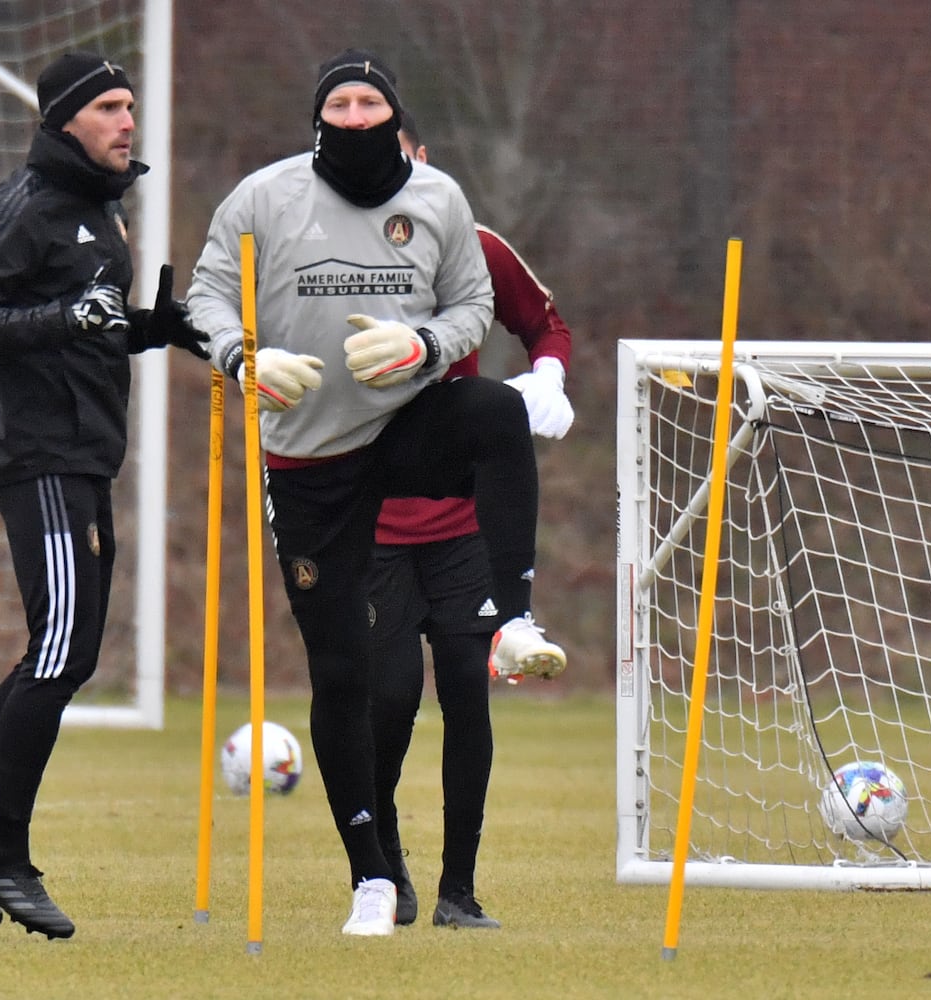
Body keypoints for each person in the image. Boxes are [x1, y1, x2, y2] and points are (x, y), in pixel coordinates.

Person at [186, 48, 565, 936]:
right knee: (350, 678)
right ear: (318, 117)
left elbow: (478, 306)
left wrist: (426, 348)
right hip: (314, 460)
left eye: (370, 101)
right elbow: (204, 296)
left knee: (492, 414)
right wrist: (244, 356)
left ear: (397, 119)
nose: (355, 115)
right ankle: (371, 875)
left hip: (405, 434)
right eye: (340, 101)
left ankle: (515, 619)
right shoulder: (262, 198)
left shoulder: (441, 200)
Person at [0, 51, 208, 940]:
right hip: (40, 457)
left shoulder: (98, 210)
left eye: (130, 106)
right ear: (67, 118)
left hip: (81, 456)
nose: (127, 122)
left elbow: (91, 332)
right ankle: (3, 856)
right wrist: (66, 318)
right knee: (60, 655)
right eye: (110, 107)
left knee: (61, 654)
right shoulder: (26, 206)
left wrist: (156, 329)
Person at [367, 111, 574, 931]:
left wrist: (547, 377)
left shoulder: (477, 246)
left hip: (462, 529)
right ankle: (383, 873)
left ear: (428, 162)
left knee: (467, 702)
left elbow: (544, 322)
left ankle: (459, 889)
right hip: (374, 526)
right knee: (386, 704)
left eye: (406, 159)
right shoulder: (332, 265)